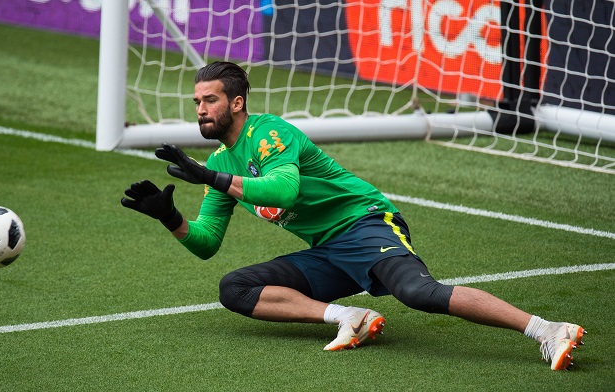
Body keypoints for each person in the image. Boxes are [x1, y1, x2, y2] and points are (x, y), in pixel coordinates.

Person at [121, 61, 585, 370]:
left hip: (365, 223)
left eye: (210, 100)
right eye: (198, 102)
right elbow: (206, 244)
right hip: (326, 249)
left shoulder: (269, 133)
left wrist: (210, 178)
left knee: (415, 292)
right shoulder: (220, 163)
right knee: (234, 288)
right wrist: (170, 217)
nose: (201, 110)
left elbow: (284, 191)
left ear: (236, 102)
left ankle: (547, 329)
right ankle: (349, 316)